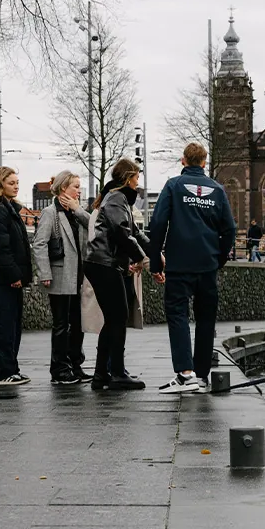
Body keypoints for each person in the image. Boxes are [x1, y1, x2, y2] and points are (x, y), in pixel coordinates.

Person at [149, 142, 236, 394]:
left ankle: (185, 375)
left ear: (183, 161)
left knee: (177, 314)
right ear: (204, 163)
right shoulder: (218, 190)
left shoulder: (174, 186)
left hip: (179, 264)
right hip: (207, 265)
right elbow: (229, 229)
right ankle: (202, 375)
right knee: (206, 319)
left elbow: (157, 224)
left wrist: (156, 262)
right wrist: (218, 259)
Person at [84, 158, 150, 391]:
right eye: (136, 178)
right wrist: (144, 258)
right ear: (127, 178)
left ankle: (102, 374)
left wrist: (154, 252)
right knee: (118, 316)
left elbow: (134, 232)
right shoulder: (116, 198)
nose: (137, 183)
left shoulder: (118, 199)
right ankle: (116, 373)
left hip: (105, 263)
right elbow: (122, 233)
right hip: (104, 263)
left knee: (114, 318)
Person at [31, 170, 92, 385]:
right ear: (63, 187)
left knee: (77, 323)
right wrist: (44, 273)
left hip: (78, 277)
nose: (79, 190)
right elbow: (39, 244)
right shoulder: (50, 213)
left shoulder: (77, 211)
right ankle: (59, 369)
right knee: (61, 324)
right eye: (75, 186)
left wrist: (78, 211)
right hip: (60, 276)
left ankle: (75, 364)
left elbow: (94, 227)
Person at [0, 166, 33, 386]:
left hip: (8, 277)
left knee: (12, 325)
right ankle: (2, 372)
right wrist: (13, 274)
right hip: (1, 280)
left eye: (17, 182)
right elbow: (0, 249)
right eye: (11, 183)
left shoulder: (8, 209)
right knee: (3, 325)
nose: (16, 186)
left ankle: (11, 368)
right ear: (0, 185)